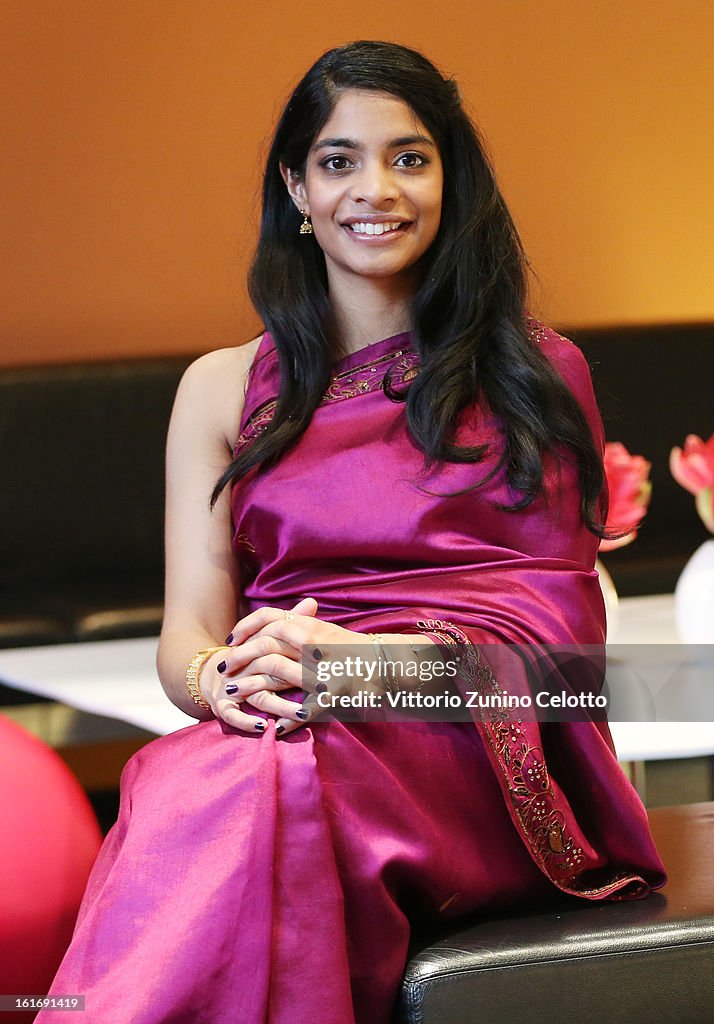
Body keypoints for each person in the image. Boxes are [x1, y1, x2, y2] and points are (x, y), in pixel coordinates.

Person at [38, 40, 666, 1024]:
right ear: (296, 184)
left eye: (409, 157)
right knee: (205, 769)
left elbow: (570, 663)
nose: (376, 189)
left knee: (278, 774)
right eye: (338, 160)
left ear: (450, 179)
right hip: (290, 715)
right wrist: (227, 681)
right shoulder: (218, 389)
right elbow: (187, 636)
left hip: (473, 745)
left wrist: (361, 668)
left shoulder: (535, 373)